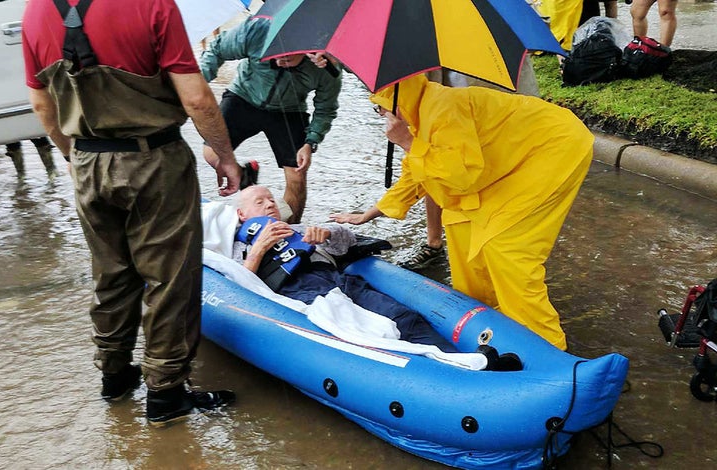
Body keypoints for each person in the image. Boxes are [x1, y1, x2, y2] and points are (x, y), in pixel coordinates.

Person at [22, 0, 242, 426]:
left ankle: (115, 376)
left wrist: (74, 156)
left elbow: (41, 107)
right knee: (169, 277)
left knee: (111, 272)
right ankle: (165, 395)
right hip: (153, 160)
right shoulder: (152, 5)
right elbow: (197, 99)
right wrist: (225, 156)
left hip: (86, 162)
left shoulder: (35, 11)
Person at [330, 74, 593, 351]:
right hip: (503, 164)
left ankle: (550, 349)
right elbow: (417, 173)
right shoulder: (418, 114)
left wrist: (408, 142)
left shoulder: (443, 107)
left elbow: (462, 174)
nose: (381, 113)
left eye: (380, 106)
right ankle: (493, 324)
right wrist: (370, 214)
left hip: (551, 148)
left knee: (504, 248)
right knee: (460, 231)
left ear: (397, 100)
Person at [233, 185, 459, 353]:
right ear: (242, 215)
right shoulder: (239, 247)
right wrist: (258, 250)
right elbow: (239, 291)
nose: (270, 204)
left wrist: (328, 234)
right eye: (260, 202)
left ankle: (461, 362)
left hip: (337, 281)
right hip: (298, 293)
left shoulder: (299, 229)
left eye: (271, 199)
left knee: (403, 317)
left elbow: (347, 241)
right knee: (364, 332)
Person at [200, 14, 342, 224]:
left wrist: (311, 142)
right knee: (211, 154)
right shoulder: (255, 30)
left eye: (287, 57)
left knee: (297, 173)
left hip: (290, 110)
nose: (279, 59)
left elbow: (326, 109)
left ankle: (289, 227)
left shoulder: (327, 69)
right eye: (273, 53)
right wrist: (196, 86)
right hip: (243, 96)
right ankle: (244, 175)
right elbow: (217, 49)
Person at [400, 61, 541, 271]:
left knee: (494, 175)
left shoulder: (495, 39)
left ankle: (496, 244)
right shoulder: (423, 40)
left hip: (492, 112)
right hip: (443, 106)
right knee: (433, 164)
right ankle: (434, 240)